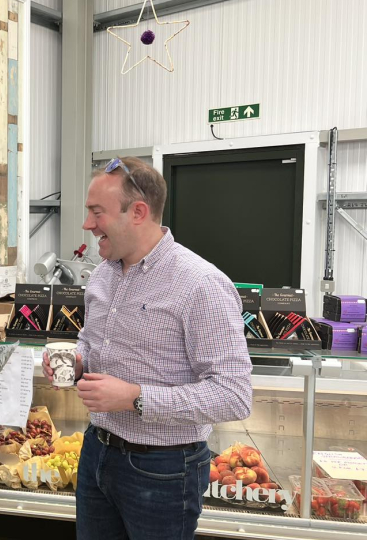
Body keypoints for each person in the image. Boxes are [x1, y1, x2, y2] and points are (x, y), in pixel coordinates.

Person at [43, 157, 252, 540]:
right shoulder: (104, 273)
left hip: (164, 469)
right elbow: (91, 343)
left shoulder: (200, 284)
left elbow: (234, 396)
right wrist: (75, 361)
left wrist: (136, 398)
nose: (87, 225)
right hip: (97, 451)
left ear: (138, 212)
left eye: (96, 212)